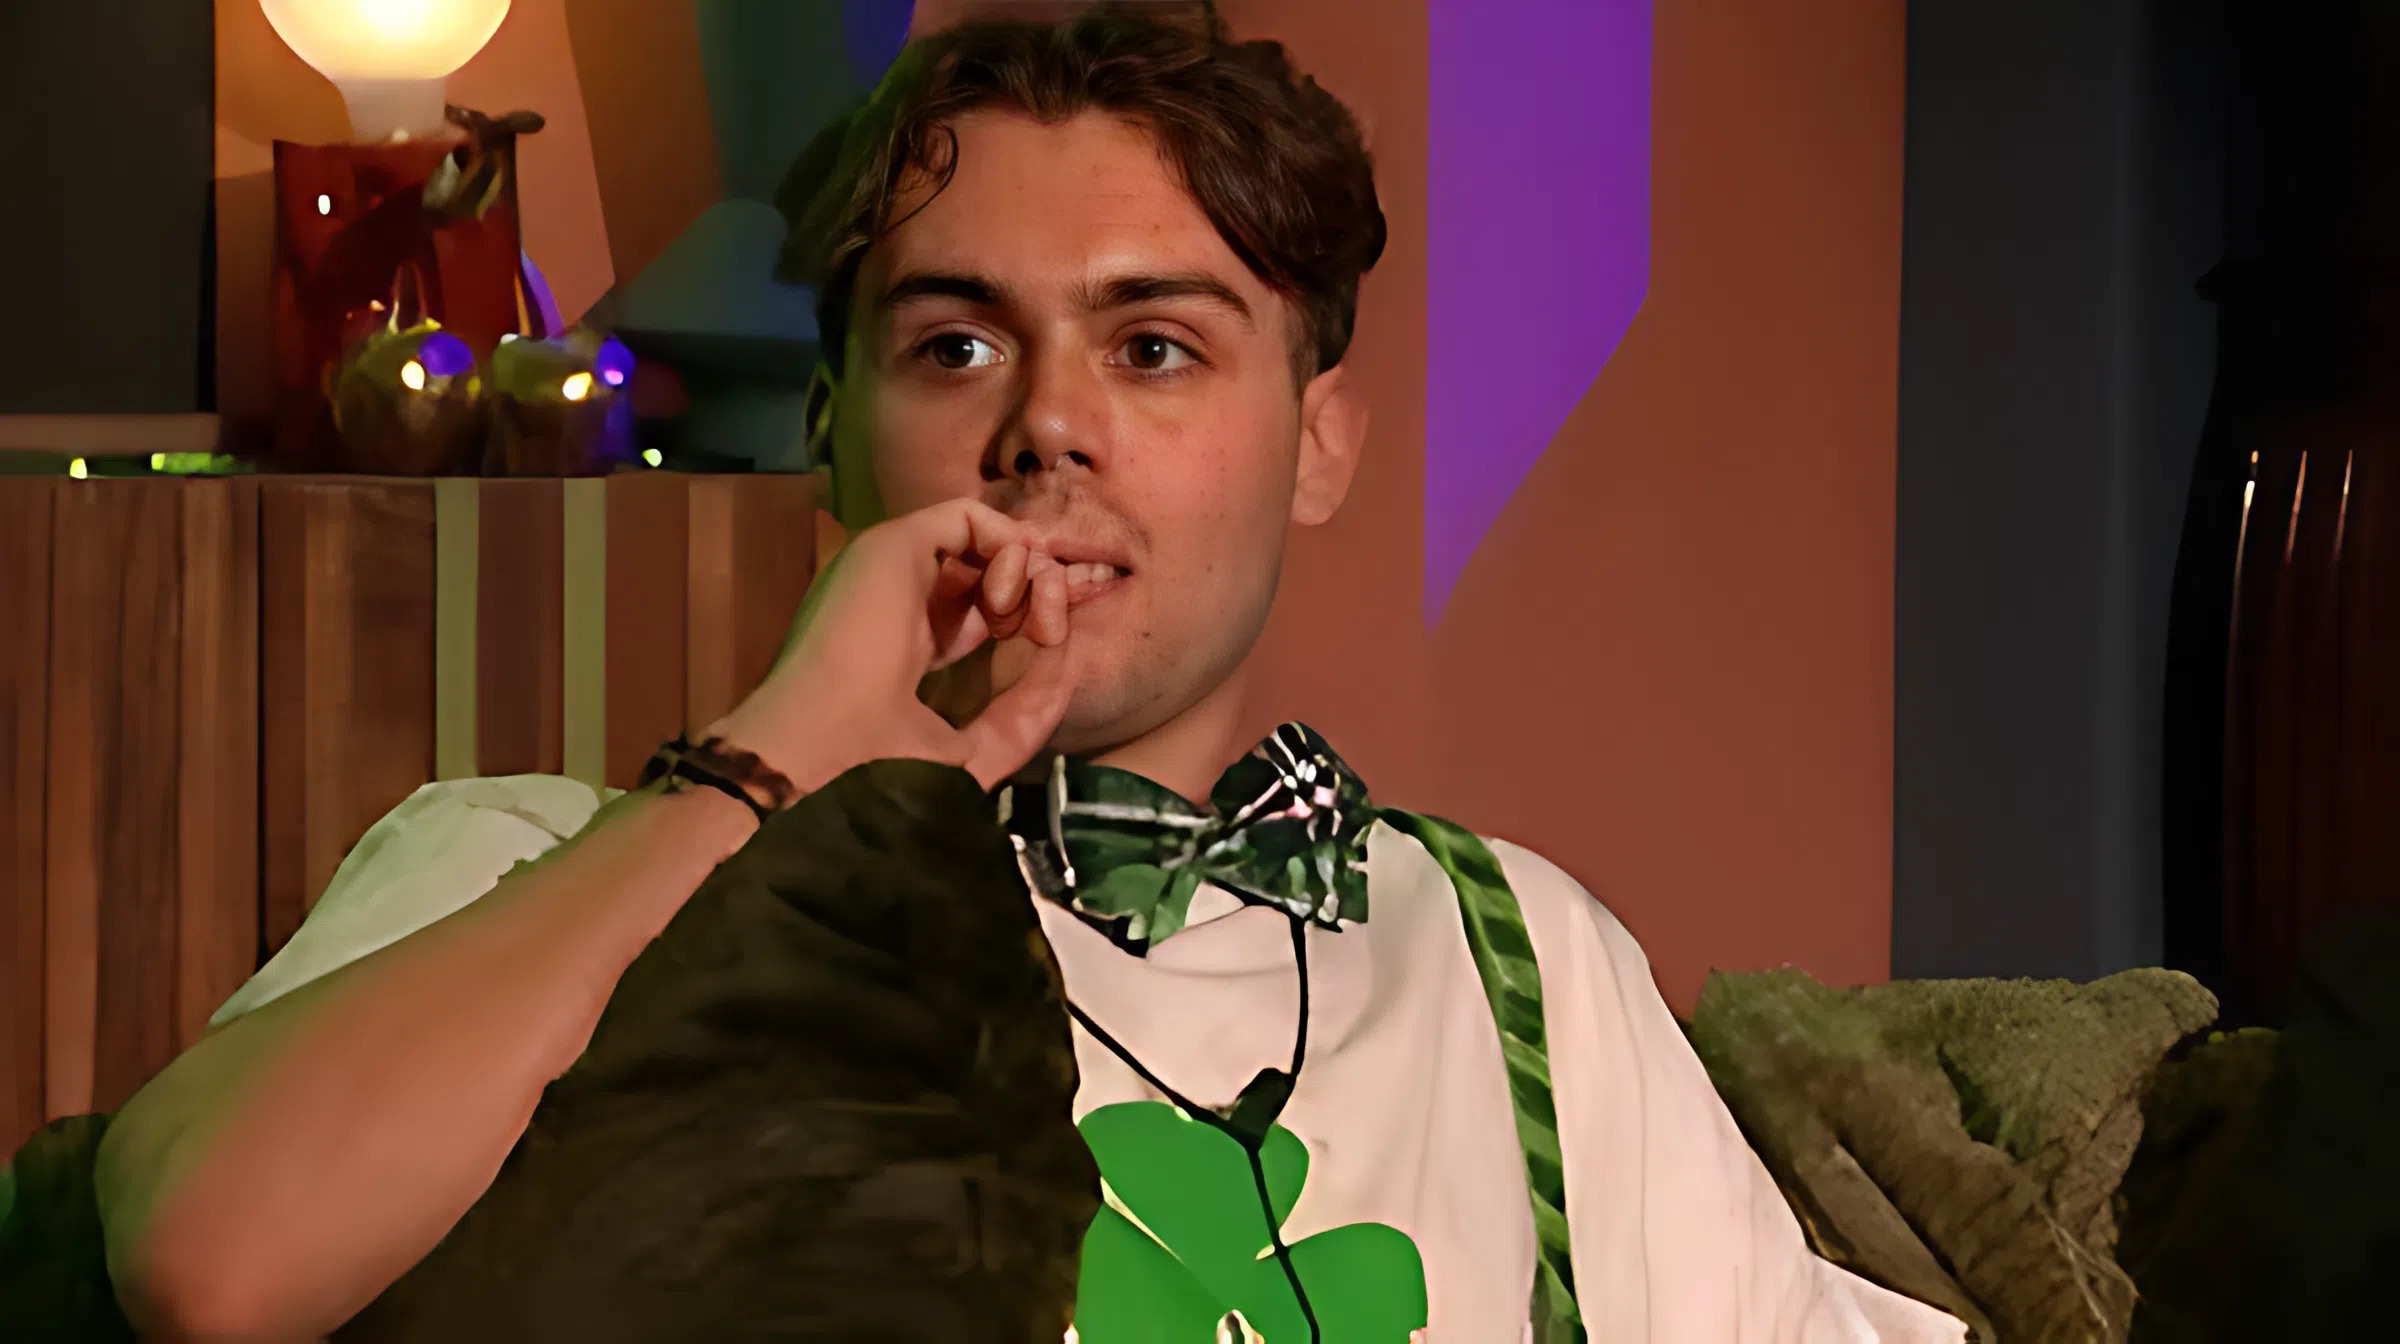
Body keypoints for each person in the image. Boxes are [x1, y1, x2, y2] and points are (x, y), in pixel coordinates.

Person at [95, 7, 1964, 1340]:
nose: (1050, 425)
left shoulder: (1516, 952)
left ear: (1320, 445)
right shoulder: (545, 862)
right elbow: (211, 1271)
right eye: (957, 346)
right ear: (831, 433)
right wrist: (773, 764)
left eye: (1154, 349)